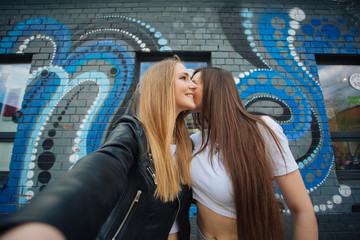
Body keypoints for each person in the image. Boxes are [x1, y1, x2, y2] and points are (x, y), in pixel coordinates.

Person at [0, 56, 197, 240]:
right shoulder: (132, 132)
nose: (193, 84)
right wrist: (51, 218)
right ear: (161, 87)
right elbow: (102, 167)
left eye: (192, 78)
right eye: (183, 77)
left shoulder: (186, 143)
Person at [190, 67, 318, 240]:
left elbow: (302, 209)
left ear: (214, 89)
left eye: (194, 83)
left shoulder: (262, 129)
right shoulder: (195, 141)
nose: (188, 87)